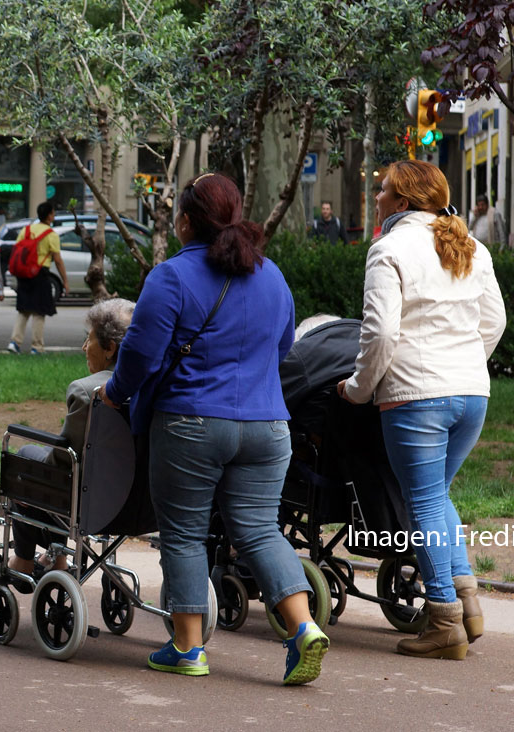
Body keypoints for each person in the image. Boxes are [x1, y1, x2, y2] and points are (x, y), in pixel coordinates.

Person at [102, 172, 328, 684]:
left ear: (184, 221)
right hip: (268, 426)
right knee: (259, 529)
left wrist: (114, 393)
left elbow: (139, 354)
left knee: (183, 533)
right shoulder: (271, 275)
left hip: (191, 424)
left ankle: (187, 648)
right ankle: (303, 628)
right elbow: (283, 346)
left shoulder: (171, 277)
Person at [338, 160, 506, 660]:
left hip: (415, 396)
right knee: (437, 497)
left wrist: (357, 389)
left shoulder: (387, 249)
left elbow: (381, 333)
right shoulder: (472, 247)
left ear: (403, 202)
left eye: (383, 190)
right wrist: (463, 364)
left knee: (423, 504)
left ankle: (444, 622)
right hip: (473, 393)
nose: (377, 196)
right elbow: (493, 322)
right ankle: (468, 604)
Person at [6, 298, 135, 583]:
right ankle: (57, 556)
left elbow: (65, 461)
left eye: (88, 340)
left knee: (26, 459)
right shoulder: (157, 386)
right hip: (140, 507)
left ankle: (25, 560)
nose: (83, 348)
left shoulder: (86, 390)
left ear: (109, 348)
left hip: (91, 502)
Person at [8, 202, 69, 354]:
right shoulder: (51, 234)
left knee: (23, 310)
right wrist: (65, 281)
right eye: (53, 213)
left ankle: (15, 342)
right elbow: (58, 260)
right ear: (49, 215)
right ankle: (37, 346)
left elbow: (17, 250)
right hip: (40, 274)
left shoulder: (26, 230)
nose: (54, 215)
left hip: (24, 274)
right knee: (39, 311)